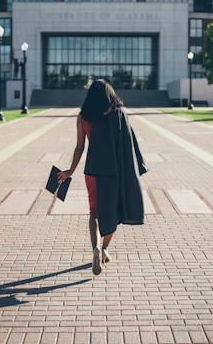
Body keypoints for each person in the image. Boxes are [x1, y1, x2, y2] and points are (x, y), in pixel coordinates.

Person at [58, 79, 148, 275]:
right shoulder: (117, 114)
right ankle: (105, 248)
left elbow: (80, 147)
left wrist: (70, 171)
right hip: (113, 171)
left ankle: (96, 248)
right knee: (112, 211)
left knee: (94, 213)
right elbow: (128, 142)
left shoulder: (83, 117)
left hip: (93, 171)